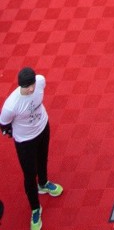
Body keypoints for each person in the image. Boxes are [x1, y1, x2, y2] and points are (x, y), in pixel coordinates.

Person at [0, 67, 63, 228]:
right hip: (25, 141)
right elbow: (4, 125)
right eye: (27, 86)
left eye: (32, 85)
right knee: (29, 174)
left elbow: (40, 87)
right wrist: (18, 134)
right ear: (20, 85)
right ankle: (35, 208)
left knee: (43, 159)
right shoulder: (11, 106)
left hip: (43, 128)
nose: (31, 89)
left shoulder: (40, 81)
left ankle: (43, 183)